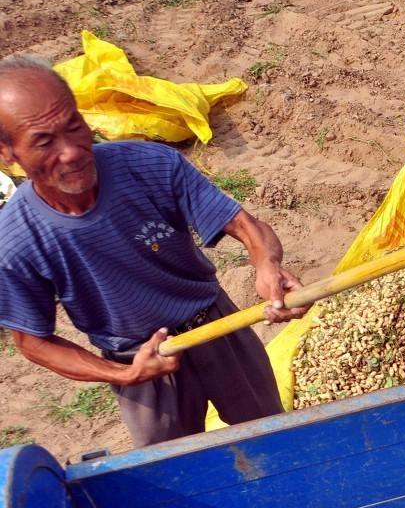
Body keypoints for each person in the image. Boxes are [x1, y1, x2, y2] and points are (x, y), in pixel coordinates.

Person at [0, 56, 308, 448]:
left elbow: (245, 226)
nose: (73, 151)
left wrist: (267, 265)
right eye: (44, 141)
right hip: (138, 359)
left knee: (273, 435)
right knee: (172, 469)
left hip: (215, 325)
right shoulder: (15, 241)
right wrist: (124, 375)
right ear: (7, 152)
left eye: (75, 126)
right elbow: (34, 343)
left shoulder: (150, 165)